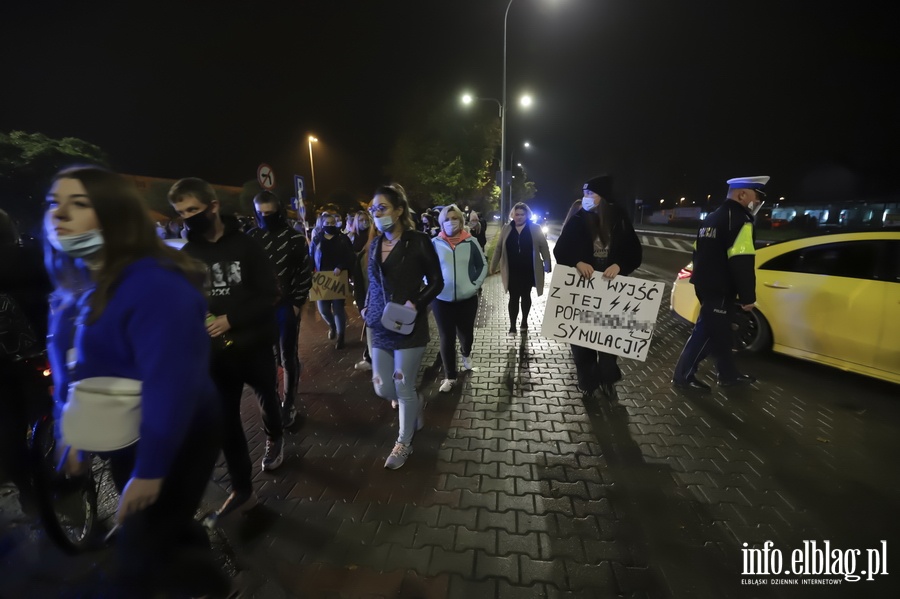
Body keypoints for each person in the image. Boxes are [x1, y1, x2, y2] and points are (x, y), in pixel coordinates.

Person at [44, 166, 228, 597]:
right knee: (168, 528)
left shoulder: (156, 287)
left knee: (135, 561)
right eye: (54, 203)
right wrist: (70, 434)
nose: (60, 215)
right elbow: (73, 369)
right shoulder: (75, 287)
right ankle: (210, 583)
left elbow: (173, 385)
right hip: (124, 431)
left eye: (79, 204)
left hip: (179, 435)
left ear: (114, 215)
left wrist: (151, 470)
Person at [167, 177, 284, 523]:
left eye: (193, 210)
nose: (188, 217)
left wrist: (231, 319)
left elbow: (268, 294)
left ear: (213, 207)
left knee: (266, 396)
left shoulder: (247, 247)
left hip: (254, 345)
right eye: (181, 212)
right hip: (216, 355)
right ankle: (242, 489)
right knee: (226, 421)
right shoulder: (188, 254)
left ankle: (275, 437)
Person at [362, 183, 443, 469]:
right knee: (382, 388)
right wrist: (366, 305)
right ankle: (415, 402)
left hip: (408, 325)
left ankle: (403, 443)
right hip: (378, 325)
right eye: (373, 209)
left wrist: (416, 303)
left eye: (382, 208)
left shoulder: (418, 241)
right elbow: (373, 282)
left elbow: (436, 282)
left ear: (398, 211)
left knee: (402, 385)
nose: (376, 214)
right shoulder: (373, 244)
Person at [672, 176, 769, 390]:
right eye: (757, 196)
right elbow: (742, 261)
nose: (759, 202)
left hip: (706, 286)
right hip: (721, 289)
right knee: (705, 334)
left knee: (722, 334)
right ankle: (683, 378)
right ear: (742, 194)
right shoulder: (740, 221)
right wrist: (747, 297)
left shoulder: (712, 218)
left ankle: (728, 374)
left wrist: (700, 285)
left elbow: (697, 254)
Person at [553, 175, 643, 398]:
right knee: (582, 344)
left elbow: (635, 253)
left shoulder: (619, 220)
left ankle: (608, 379)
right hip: (582, 292)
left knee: (608, 344)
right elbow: (560, 250)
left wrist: (619, 265)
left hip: (610, 292)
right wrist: (578, 262)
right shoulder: (577, 220)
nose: (585, 198)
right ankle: (587, 383)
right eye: (584, 194)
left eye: (590, 193)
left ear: (602, 198)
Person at [0, 209, 52, 514]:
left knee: (8, 431)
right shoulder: (31, 255)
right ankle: (67, 481)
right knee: (54, 416)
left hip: (2, 366)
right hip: (38, 354)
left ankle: (29, 495)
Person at [247, 190, 312, 427]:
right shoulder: (252, 237)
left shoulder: (294, 239)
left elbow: (305, 274)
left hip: (285, 306)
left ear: (279, 211)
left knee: (287, 354)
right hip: (260, 309)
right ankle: (272, 399)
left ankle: (289, 402)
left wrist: (296, 304)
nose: (265, 217)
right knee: (268, 356)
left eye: (270, 213)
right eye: (260, 213)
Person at [431, 205, 488, 392]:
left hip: (467, 299)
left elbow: (483, 265)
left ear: (461, 221)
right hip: (441, 299)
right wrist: (432, 285)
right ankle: (450, 376)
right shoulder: (435, 243)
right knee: (446, 337)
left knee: (466, 334)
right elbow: (425, 269)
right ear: (441, 222)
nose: (451, 222)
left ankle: (466, 353)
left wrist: (475, 285)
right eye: (447, 219)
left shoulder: (470, 242)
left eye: (454, 218)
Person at [489, 202, 552, 336]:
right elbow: (499, 248)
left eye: (522, 214)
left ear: (527, 215)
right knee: (513, 297)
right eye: (517, 214)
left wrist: (547, 263)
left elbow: (543, 246)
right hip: (511, 269)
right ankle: (512, 326)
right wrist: (493, 266)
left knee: (525, 295)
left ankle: (524, 321)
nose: (519, 217)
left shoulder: (535, 228)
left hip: (528, 269)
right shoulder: (506, 228)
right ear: (513, 215)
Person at [309, 210, 356, 349]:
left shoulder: (343, 239)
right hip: (322, 278)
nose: (330, 225)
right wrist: (309, 273)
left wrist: (341, 267)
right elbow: (311, 257)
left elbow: (350, 256)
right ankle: (332, 326)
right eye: (327, 223)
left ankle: (341, 336)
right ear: (322, 224)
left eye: (332, 223)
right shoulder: (317, 239)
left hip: (338, 278)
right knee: (323, 309)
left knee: (338, 308)